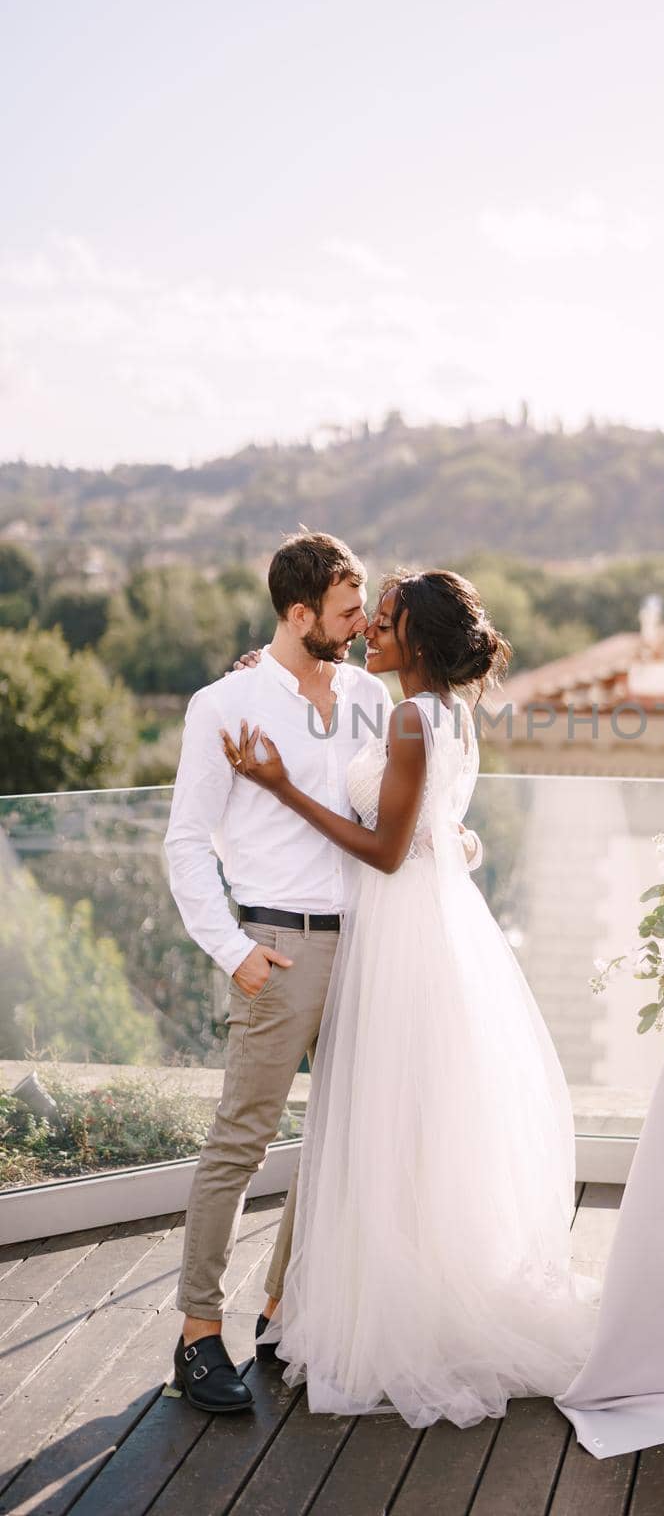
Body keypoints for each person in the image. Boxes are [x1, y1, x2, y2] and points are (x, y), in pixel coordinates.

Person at [220, 568, 601, 1427]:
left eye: (384, 624)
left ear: (417, 641)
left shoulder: (407, 717)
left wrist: (281, 786)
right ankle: (396, 1293)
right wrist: (273, 675)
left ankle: (393, 1318)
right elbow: (431, 823)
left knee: (383, 1119)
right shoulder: (447, 713)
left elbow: (387, 851)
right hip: (430, 928)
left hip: (400, 931)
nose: (369, 635)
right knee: (411, 1124)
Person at [163, 531, 480, 1413]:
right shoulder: (220, 704)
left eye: (365, 612)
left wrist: (452, 844)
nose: (359, 625)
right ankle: (196, 1334)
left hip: (370, 945)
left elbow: (403, 808)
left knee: (336, 1137)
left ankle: (279, 1311)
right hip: (280, 945)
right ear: (299, 614)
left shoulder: (363, 697)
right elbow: (186, 845)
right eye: (346, 612)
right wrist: (234, 949)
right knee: (240, 1140)